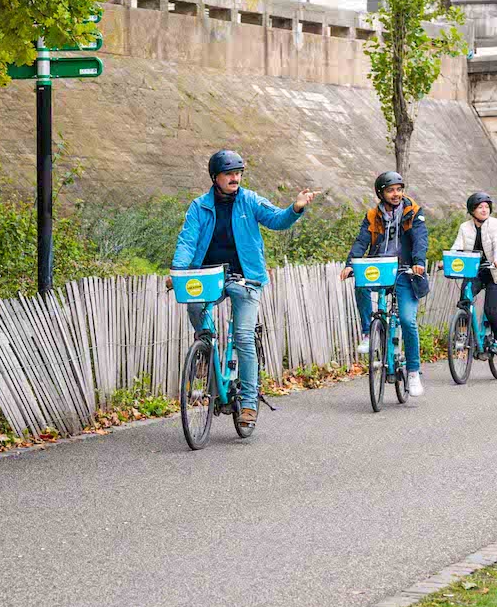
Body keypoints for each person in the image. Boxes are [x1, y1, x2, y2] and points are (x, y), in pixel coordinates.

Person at [171, 150, 316, 429]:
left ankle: (248, 402)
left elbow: (276, 219)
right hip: (211, 276)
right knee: (194, 304)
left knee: (243, 336)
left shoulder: (250, 200)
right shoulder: (199, 207)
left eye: (238, 173)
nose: (235, 177)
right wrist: (178, 270)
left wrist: (296, 208)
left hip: (245, 277)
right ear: (215, 178)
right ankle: (204, 349)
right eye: (229, 173)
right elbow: (187, 241)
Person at [340, 171, 428, 397]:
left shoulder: (413, 212)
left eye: (399, 189)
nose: (396, 194)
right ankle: (369, 333)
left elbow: (420, 239)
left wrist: (418, 262)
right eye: (391, 190)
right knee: (360, 283)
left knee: (408, 321)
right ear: (381, 193)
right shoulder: (372, 215)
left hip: (405, 270)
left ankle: (413, 372)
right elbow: (362, 240)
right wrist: (351, 263)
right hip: (380, 266)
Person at [450, 190, 497, 359]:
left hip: (495, 273)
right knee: (464, 301)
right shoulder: (465, 227)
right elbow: (457, 246)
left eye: (486, 207)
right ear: (472, 211)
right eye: (479, 207)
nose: (484, 210)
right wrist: (446, 260)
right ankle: (463, 337)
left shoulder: (495, 224)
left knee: (490, 310)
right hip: (475, 272)